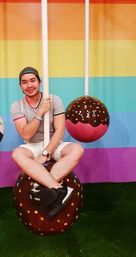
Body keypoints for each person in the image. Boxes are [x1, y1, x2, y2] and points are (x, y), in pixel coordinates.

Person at [11, 66, 84, 219]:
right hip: (32, 146)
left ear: (39, 82)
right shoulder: (17, 106)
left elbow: (60, 130)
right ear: (20, 86)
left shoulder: (54, 99)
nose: (29, 85)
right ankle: (59, 188)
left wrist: (46, 153)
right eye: (24, 82)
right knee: (17, 154)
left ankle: (43, 187)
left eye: (33, 80)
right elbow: (25, 133)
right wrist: (40, 113)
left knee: (77, 149)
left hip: (54, 143)